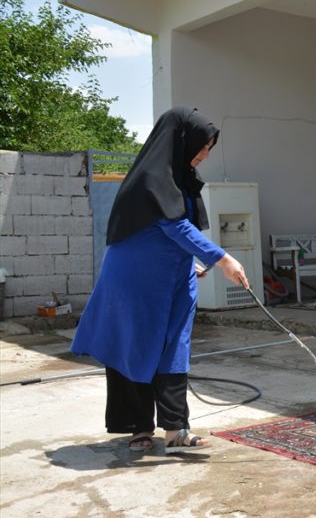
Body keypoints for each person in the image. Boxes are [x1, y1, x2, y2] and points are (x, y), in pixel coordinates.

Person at [71, 107, 250, 454]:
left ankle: (175, 430)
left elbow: (178, 230)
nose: (204, 155)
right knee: (135, 346)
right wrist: (222, 258)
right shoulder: (151, 177)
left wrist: (193, 259)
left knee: (175, 348)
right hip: (135, 280)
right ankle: (139, 427)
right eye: (201, 146)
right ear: (181, 141)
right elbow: (172, 225)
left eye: (210, 148)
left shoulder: (181, 177)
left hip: (175, 276)